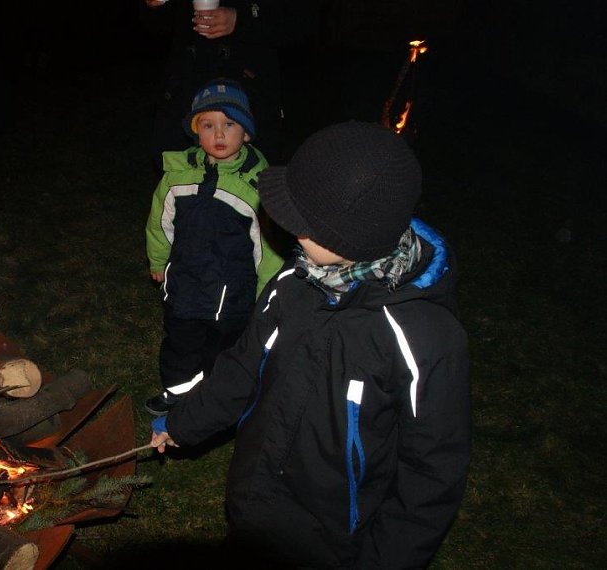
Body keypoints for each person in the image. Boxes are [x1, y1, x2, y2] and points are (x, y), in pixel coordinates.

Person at [151, 122, 471, 568]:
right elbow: (241, 369)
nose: (283, 223)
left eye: (301, 219)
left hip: (335, 541)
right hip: (255, 502)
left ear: (345, 236)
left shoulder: (424, 339)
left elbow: (432, 474)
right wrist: (183, 422)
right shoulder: (292, 283)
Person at [144, 78, 284, 416]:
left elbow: (268, 249)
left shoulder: (256, 186)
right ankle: (177, 394)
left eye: (229, 124)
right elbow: (159, 223)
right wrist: (158, 261)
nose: (218, 134)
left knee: (222, 352)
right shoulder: (177, 176)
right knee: (180, 346)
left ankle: (217, 401)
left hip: (231, 296)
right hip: (185, 286)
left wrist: (266, 296)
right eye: (208, 125)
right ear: (196, 132)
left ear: (247, 133)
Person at [141, 0, 320, 166]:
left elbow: (301, 20)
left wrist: (241, 18)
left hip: (249, 98)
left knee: (247, 183)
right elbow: (157, 26)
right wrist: (156, 5)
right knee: (179, 182)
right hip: (185, 96)